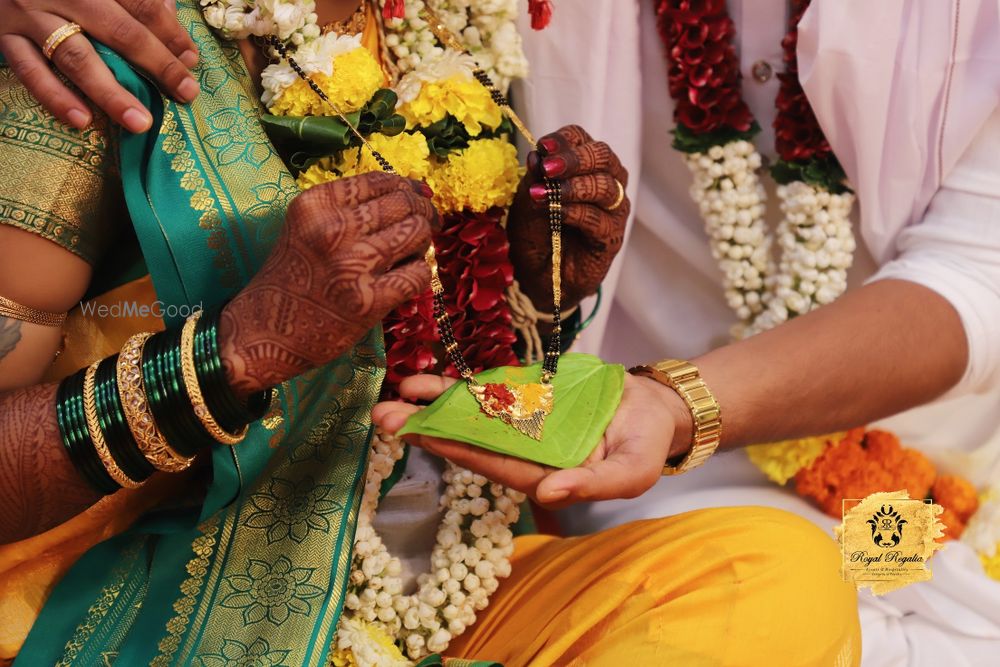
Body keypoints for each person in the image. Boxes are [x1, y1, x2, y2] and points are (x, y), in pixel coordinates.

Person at [0, 1, 860, 665]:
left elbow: (425, 369)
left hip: (444, 596)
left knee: (779, 574)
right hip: (157, 612)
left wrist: (534, 297)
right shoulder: (92, 38)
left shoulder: (439, 32)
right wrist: (234, 354)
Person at [379, 1, 1000, 665]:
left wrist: (675, 403)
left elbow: (975, 269)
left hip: (942, 469)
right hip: (659, 482)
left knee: (942, 624)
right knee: (772, 606)